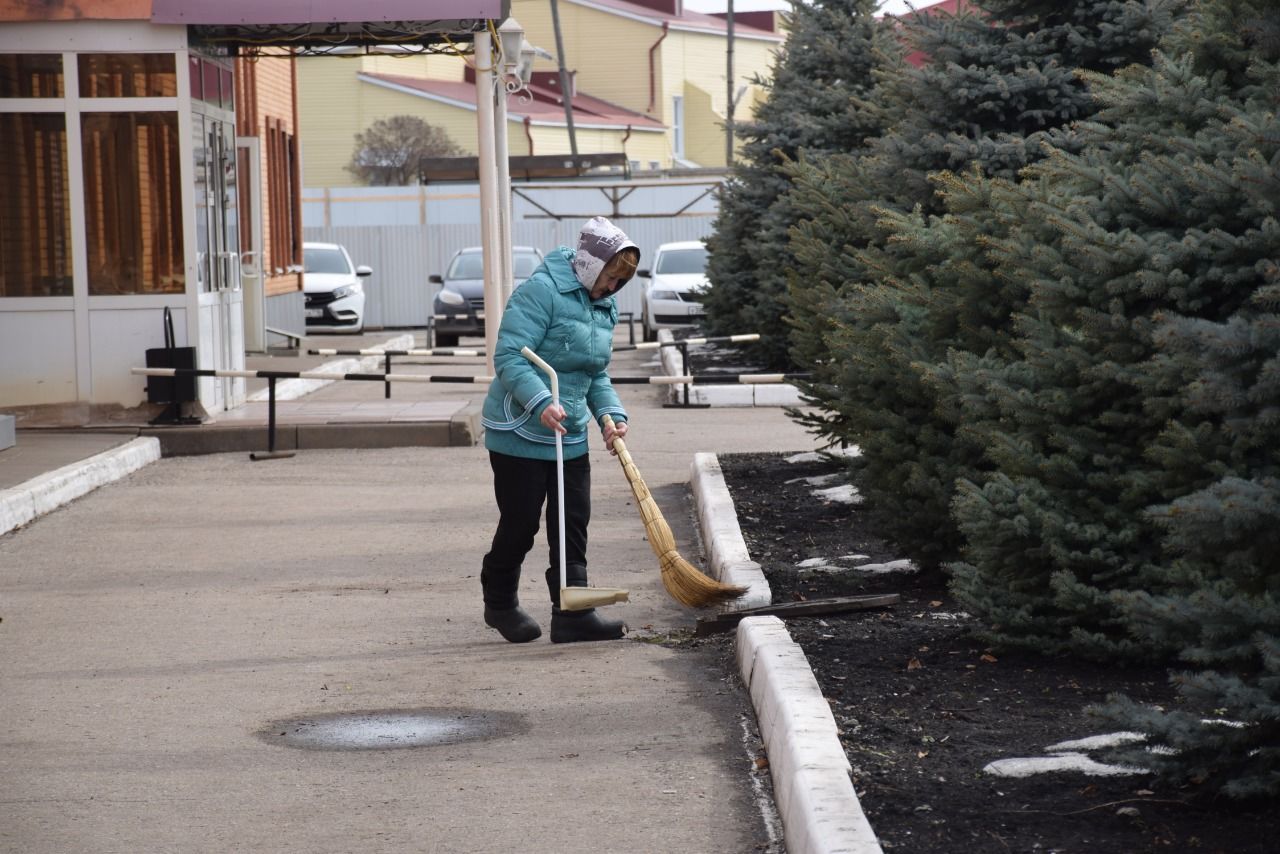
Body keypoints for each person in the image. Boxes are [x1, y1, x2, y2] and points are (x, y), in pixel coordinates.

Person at [479, 216, 640, 644]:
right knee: (521, 523)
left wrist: (610, 415)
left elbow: (595, 372)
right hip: (520, 431)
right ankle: (499, 602)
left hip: (568, 435)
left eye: (621, 282)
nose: (612, 288)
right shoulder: (541, 293)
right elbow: (510, 355)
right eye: (610, 277)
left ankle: (572, 615)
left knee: (572, 523)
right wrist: (539, 401)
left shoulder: (604, 305)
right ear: (590, 265)